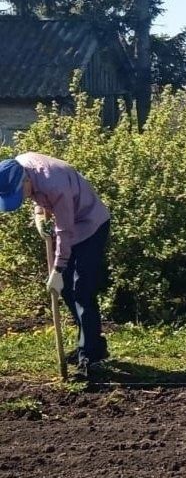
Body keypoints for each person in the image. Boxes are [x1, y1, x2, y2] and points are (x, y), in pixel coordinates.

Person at [0, 153, 112, 376]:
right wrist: (40, 217)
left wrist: (58, 269)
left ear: (25, 181)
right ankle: (91, 344)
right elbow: (38, 199)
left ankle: (90, 358)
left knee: (82, 290)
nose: (21, 198)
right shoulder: (22, 167)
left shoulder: (55, 184)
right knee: (67, 291)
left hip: (90, 225)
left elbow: (64, 231)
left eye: (17, 193)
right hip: (70, 227)